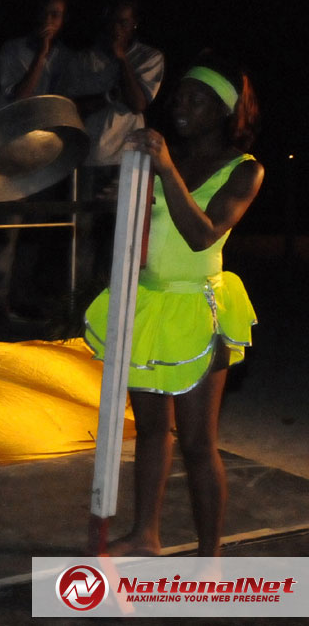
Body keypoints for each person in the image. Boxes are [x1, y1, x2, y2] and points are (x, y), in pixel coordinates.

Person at [84, 55, 263, 556]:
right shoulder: (167, 157)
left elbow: (201, 234)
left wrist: (164, 170)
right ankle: (146, 535)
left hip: (195, 307)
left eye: (196, 99)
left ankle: (210, 558)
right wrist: (125, 193)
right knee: (150, 431)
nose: (181, 106)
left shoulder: (245, 170)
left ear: (224, 111)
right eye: (180, 96)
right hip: (150, 303)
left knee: (198, 443)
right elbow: (147, 229)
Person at [63, 0, 164, 297]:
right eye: (112, 22)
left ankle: (119, 301)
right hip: (89, 158)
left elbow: (137, 102)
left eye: (124, 22)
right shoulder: (83, 59)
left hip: (128, 160)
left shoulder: (149, 57)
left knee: (124, 239)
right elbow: (70, 106)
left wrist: (121, 58)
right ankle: (80, 304)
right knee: (83, 239)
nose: (116, 28)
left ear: (134, 25)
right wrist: (108, 96)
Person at [0, 0, 71, 320]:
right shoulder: (14, 50)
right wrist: (41, 55)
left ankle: (21, 295)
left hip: (46, 153)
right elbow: (21, 95)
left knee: (35, 229)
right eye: (45, 14)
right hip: (11, 151)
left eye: (56, 15)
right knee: (7, 229)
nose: (49, 22)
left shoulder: (67, 57)